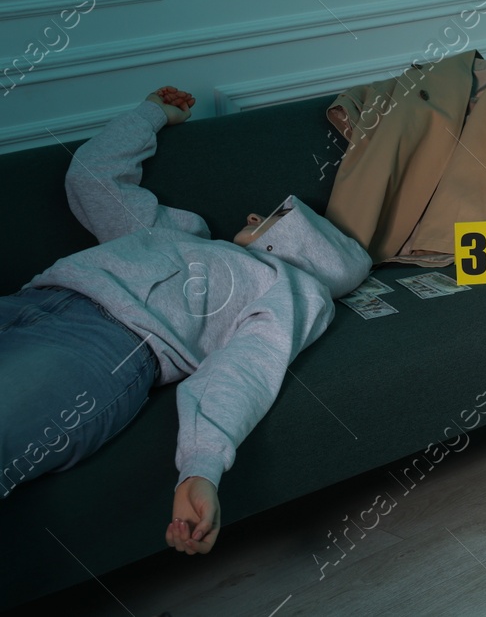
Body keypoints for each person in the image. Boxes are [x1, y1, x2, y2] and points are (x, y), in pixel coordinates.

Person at [0, 87, 372, 552]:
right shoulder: (181, 231)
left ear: (302, 246)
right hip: (29, 298)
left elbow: (248, 367)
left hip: (109, 345)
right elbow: (93, 179)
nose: (255, 212)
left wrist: (201, 468)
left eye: (276, 218)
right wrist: (152, 114)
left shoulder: (287, 287)